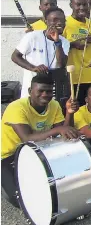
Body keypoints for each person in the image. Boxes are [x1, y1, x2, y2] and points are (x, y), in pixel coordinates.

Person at [1, 75, 80, 207]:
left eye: (49, 91)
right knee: (21, 200)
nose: (45, 95)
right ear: (29, 91)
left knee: (55, 189)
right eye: (40, 91)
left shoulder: (53, 105)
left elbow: (64, 131)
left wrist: (69, 112)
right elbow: (26, 138)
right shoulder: (16, 107)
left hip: (38, 151)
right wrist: (58, 130)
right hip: (9, 155)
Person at [12, 7, 70, 100]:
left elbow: (62, 64)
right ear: (46, 21)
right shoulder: (32, 36)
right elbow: (15, 56)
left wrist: (57, 42)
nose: (59, 23)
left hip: (52, 90)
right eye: (55, 20)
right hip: (32, 89)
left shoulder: (64, 42)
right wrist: (33, 68)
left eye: (62, 20)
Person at [63, 0, 91, 106]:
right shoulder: (65, 23)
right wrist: (74, 44)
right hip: (74, 76)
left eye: (85, 5)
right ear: (71, 5)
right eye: (78, 4)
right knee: (75, 110)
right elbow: (57, 47)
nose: (82, 8)